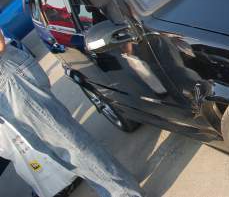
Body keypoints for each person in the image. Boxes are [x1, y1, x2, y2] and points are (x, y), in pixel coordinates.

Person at [0, 31, 143, 197]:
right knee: (54, 151)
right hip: (7, 84)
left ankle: (124, 193)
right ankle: (117, 189)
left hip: (7, 77)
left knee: (69, 145)